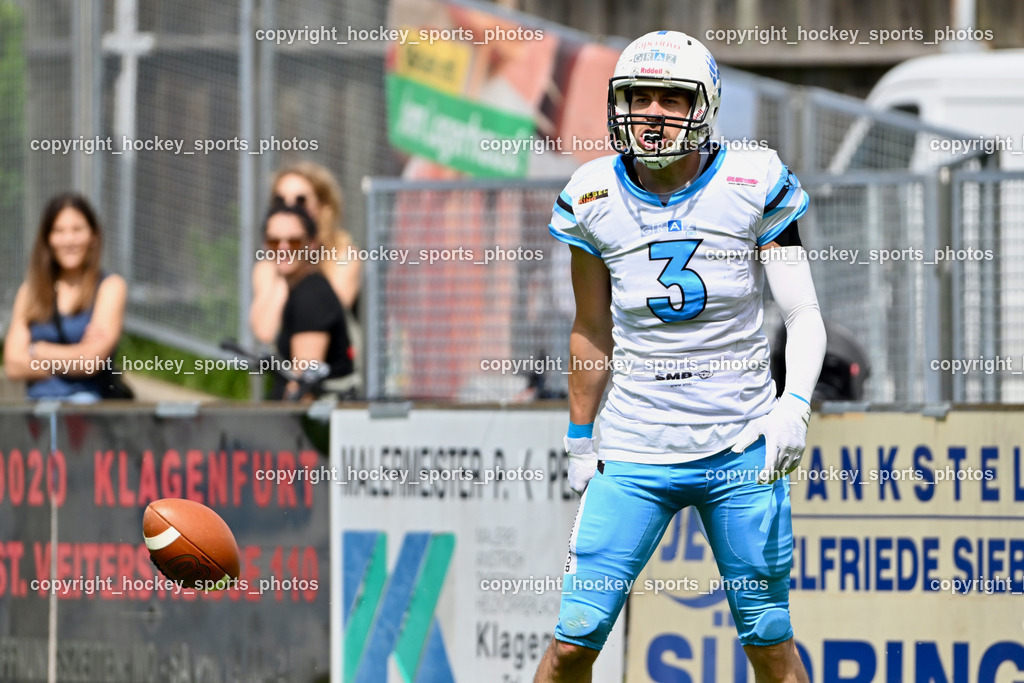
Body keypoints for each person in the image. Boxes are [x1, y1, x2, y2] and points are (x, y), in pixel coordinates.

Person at [535, 31, 826, 683]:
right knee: (571, 646)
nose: (654, 112)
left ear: (706, 106)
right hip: (637, 448)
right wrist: (580, 437)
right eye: (640, 96)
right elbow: (591, 328)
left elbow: (804, 314)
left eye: (673, 97)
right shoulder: (592, 195)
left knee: (770, 645)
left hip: (741, 445)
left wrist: (795, 405)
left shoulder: (754, 180)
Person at [4, 193, 127, 402]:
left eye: (77, 230)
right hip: (37, 410)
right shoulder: (29, 291)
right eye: (59, 231)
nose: (68, 240)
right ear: (48, 238)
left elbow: (90, 362)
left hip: (88, 408)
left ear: (93, 236)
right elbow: (13, 364)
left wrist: (37, 350)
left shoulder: (110, 287)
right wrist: (74, 357)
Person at [250, 162, 361, 345]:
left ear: (324, 207)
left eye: (301, 201)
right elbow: (265, 331)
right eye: (280, 201)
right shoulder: (267, 266)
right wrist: (288, 266)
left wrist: (303, 261)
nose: (290, 208)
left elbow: (320, 320)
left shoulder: (344, 256)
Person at [261, 202, 354, 400]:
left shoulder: (311, 297)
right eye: (273, 242)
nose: (283, 248)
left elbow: (303, 389)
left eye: (294, 242)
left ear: (312, 245)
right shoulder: (302, 289)